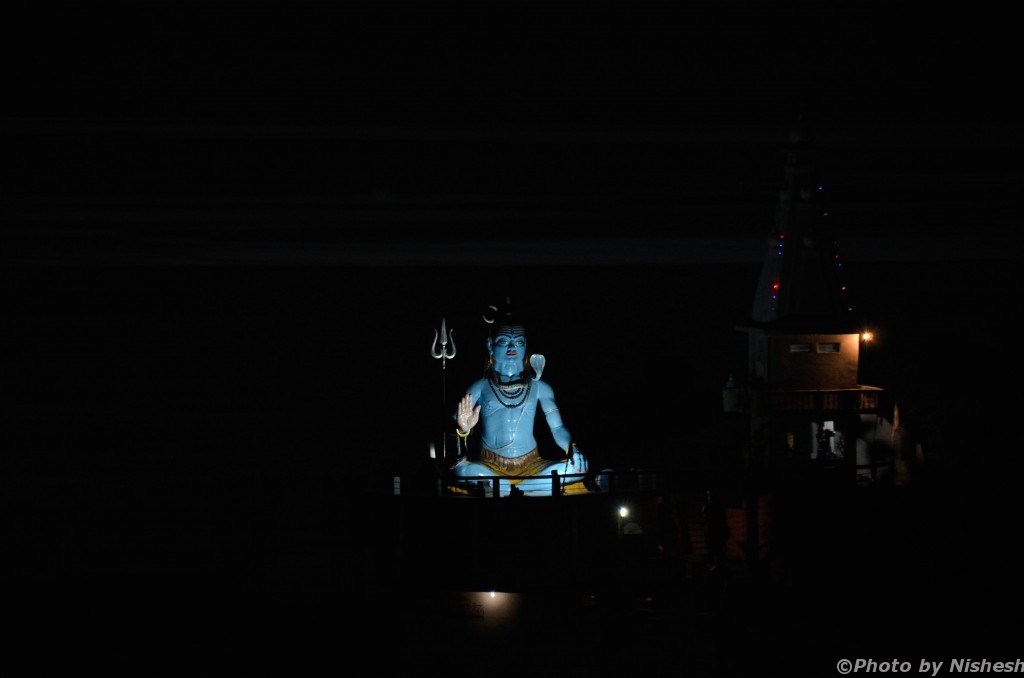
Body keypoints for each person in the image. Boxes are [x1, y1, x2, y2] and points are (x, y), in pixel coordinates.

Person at [449, 300, 592, 496]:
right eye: (503, 341)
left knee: (577, 468)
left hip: (532, 464)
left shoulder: (540, 387)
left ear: (526, 345)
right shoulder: (481, 386)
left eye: (519, 342)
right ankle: (529, 489)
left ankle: (508, 490)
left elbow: (557, 428)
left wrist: (572, 448)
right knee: (464, 472)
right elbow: (451, 427)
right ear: (490, 345)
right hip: (490, 465)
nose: (512, 347)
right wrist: (463, 428)